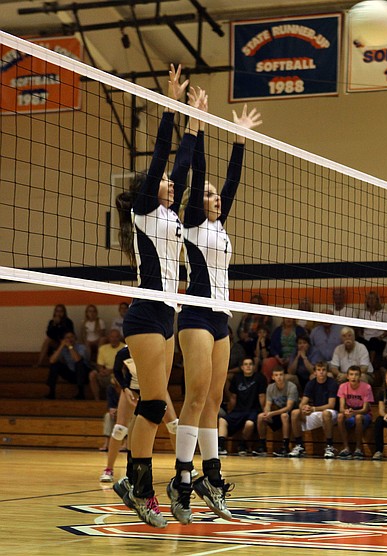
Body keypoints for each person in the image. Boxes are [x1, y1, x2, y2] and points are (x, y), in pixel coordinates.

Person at [112, 64, 198, 528]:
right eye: (164, 182)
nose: (170, 183)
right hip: (146, 313)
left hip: (169, 313)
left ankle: (134, 481)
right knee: (153, 403)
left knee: (158, 402)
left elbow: (180, 165)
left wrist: (195, 123)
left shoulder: (171, 213)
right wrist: (170, 102)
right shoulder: (146, 209)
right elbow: (164, 157)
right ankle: (139, 488)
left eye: (169, 183)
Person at [167, 100, 260, 525]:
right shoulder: (190, 222)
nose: (215, 196)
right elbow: (202, 174)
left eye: (216, 195)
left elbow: (231, 180)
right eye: (207, 194)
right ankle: (182, 481)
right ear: (194, 201)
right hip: (196, 316)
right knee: (197, 396)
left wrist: (240, 140)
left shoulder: (220, 225)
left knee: (216, 400)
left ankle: (211, 476)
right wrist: (199, 128)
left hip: (221, 318)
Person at [100, 347, 138, 483]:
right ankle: (108, 469)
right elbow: (116, 371)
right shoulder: (124, 352)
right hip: (130, 389)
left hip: (152, 388)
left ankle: (185, 468)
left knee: (173, 424)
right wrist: (125, 387)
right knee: (119, 429)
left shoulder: (153, 345)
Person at [288, 361, 339, 458]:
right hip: (316, 412)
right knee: (295, 413)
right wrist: (304, 408)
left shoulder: (332, 383)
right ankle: (299, 445)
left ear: (327, 372)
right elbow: (302, 402)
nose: (321, 372)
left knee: (326, 413)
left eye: (323, 370)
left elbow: (331, 405)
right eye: (319, 370)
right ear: (314, 372)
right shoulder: (311, 383)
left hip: (331, 413)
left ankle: (329, 446)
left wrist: (313, 408)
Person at [218, 358, 267, 456]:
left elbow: (262, 396)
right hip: (239, 409)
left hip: (253, 410)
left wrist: (263, 411)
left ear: (253, 366)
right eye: (246, 364)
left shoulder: (259, 377)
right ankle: (221, 445)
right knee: (222, 420)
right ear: (242, 367)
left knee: (249, 424)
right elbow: (233, 397)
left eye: (250, 364)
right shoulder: (237, 378)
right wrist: (231, 411)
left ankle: (242, 444)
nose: (248, 366)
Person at [255, 368, 299, 456]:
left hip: (291, 414)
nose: (279, 377)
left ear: (285, 376)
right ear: (273, 377)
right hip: (277, 413)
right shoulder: (270, 387)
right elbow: (268, 404)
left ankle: (285, 446)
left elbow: (288, 407)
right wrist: (267, 412)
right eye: (276, 375)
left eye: (281, 375)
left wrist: (272, 413)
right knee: (260, 416)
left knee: (284, 416)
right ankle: (262, 445)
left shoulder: (291, 387)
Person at [336, 365, 374, 459]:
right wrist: (346, 412)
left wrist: (354, 413)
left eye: (356, 374)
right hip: (350, 411)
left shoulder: (367, 387)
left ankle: (358, 448)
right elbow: (341, 408)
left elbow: (365, 409)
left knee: (358, 417)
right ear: (347, 376)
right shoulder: (343, 387)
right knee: (340, 416)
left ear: (360, 376)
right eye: (351, 374)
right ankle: (346, 448)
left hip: (364, 414)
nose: (354, 377)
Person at [46, 330, 88, 400]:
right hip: (72, 374)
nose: (70, 339)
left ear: (75, 338)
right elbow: (52, 360)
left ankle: (81, 393)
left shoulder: (82, 347)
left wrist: (70, 347)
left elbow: (77, 359)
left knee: (79, 364)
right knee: (54, 365)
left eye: (71, 337)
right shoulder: (63, 349)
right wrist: (61, 346)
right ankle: (51, 392)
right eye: (67, 338)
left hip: (84, 374)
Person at [91, 329, 126, 402]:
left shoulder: (125, 348)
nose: (114, 339)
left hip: (120, 373)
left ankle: (120, 403)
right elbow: (100, 364)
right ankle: (97, 400)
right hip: (106, 373)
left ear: (119, 337)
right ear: (108, 338)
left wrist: (110, 371)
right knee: (92, 375)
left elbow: (125, 366)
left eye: (116, 337)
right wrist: (101, 371)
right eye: (112, 337)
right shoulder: (103, 348)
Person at [361, 290, 387, 367]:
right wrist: (361, 335)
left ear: (377, 301)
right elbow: (359, 328)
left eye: (373, 298)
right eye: (369, 298)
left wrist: (381, 337)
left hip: (380, 339)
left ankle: (370, 363)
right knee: (359, 341)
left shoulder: (383, 312)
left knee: (373, 340)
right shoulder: (363, 313)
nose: (371, 300)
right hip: (366, 339)